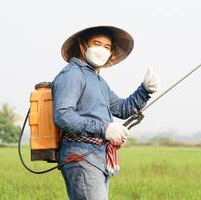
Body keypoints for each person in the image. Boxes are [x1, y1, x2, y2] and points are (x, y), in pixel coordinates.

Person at [52, 26, 159, 200]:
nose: (102, 49)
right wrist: (104, 129)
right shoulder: (72, 75)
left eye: (107, 47)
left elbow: (123, 109)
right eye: (97, 43)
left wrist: (145, 90)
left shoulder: (99, 81)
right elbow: (63, 115)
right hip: (80, 157)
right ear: (82, 46)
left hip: (97, 158)